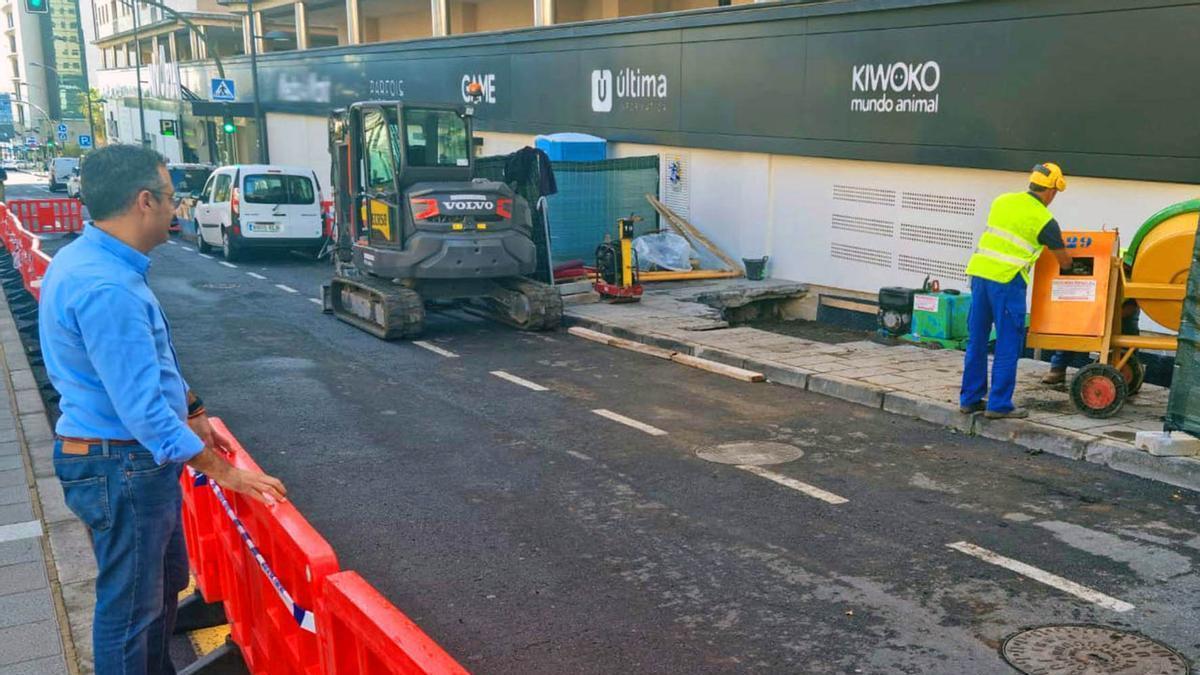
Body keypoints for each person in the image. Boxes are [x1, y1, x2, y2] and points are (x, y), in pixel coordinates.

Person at [39, 145, 287, 674]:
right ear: (144, 201)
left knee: (158, 592)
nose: (178, 209)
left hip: (123, 462)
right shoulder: (107, 287)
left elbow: (147, 365)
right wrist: (224, 474)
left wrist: (193, 407)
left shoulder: (93, 262)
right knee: (131, 611)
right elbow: (142, 409)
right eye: (173, 197)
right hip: (122, 466)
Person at [960, 163, 1073, 419]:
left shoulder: (1002, 201)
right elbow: (1065, 262)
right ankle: (999, 405)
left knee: (976, 340)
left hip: (979, 275)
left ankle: (969, 399)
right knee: (1008, 343)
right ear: (1053, 191)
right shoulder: (1045, 221)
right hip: (1007, 282)